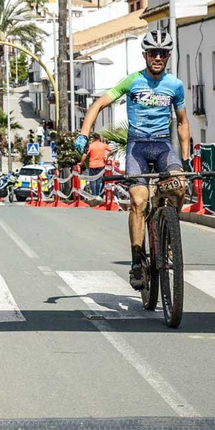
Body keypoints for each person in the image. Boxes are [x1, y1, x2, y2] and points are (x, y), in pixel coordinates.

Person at [75, 29, 190, 291]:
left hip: (162, 145)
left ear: (168, 56)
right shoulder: (132, 81)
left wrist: (184, 159)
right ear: (145, 55)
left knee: (179, 186)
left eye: (162, 53)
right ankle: (137, 260)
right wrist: (83, 135)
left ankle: (170, 237)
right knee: (138, 201)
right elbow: (97, 105)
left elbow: (183, 122)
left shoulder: (175, 85)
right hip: (137, 145)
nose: (157, 57)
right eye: (153, 53)